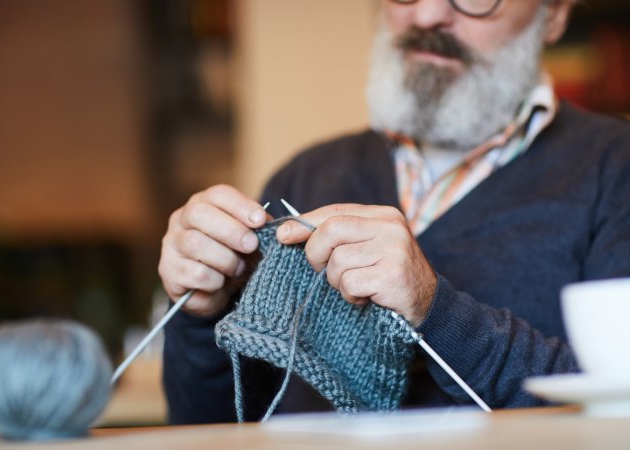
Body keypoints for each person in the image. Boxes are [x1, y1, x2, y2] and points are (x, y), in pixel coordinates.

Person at [159, 0, 630, 424]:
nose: (426, 15)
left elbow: (616, 414)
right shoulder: (305, 175)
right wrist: (204, 313)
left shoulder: (616, 168)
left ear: (554, 15)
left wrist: (435, 311)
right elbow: (211, 427)